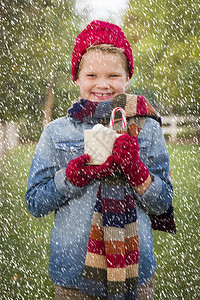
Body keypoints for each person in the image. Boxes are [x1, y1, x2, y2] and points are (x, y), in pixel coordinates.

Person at [25, 20, 174, 299]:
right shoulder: (57, 132)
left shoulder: (147, 128)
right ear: (76, 78)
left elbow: (162, 201)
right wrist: (71, 177)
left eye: (113, 75)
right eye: (91, 74)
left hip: (135, 275)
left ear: (127, 77)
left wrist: (138, 173)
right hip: (73, 276)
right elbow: (35, 202)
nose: (103, 85)